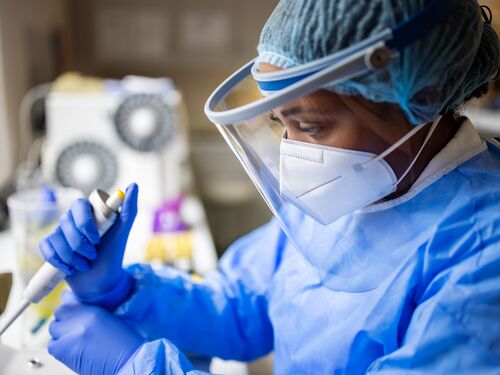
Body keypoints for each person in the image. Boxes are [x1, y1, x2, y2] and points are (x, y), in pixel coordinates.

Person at [41, 0, 500, 373]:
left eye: (312, 127)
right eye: (281, 123)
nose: (293, 151)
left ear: (419, 100)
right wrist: (121, 291)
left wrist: (139, 367)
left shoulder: (482, 256)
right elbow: (242, 305)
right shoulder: (355, 192)